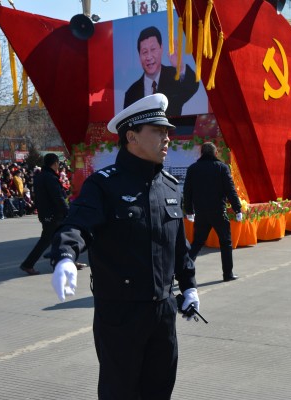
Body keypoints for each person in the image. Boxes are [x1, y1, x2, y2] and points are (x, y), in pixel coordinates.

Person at [48, 93, 198, 399]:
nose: (167, 138)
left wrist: (190, 286)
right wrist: (65, 256)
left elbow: (178, 244)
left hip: (163, 311)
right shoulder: (104, 184)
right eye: (158, 131)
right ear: (132, 136)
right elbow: (77, 225)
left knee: (160, 388)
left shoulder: (169, 185)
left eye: (168, 131)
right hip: (120, 313)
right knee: (120, 391)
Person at [184, 142, 243, 282]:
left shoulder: (193, 168)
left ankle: (183, 271)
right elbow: (230, 189)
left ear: (201, 153)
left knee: (197, 242)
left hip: (201, 212)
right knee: (226, 242)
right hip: (218, 211)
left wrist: (189, 210)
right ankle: (227, 274)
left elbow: (187, 191)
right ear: (215, 153)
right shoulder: (221, 168)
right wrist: (237, 208)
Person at [19, 153, 85, 275]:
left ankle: (68, 261)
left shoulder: (40, 176)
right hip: (55, 214)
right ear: (55, 164)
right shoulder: (50, 178)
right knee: (57, 239)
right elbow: (58, 197)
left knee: (59, 239)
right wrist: (68, 212)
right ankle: (28, 264)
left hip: (46, 214)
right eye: (58, 164)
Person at [123, 26, 199, 116]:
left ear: (161, 48)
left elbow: (192, 86)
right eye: (144, 52)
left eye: (153, 49)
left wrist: (180, 67)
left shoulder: (174, 76)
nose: (149, 57)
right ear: (139, 55)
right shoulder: (131, 93)